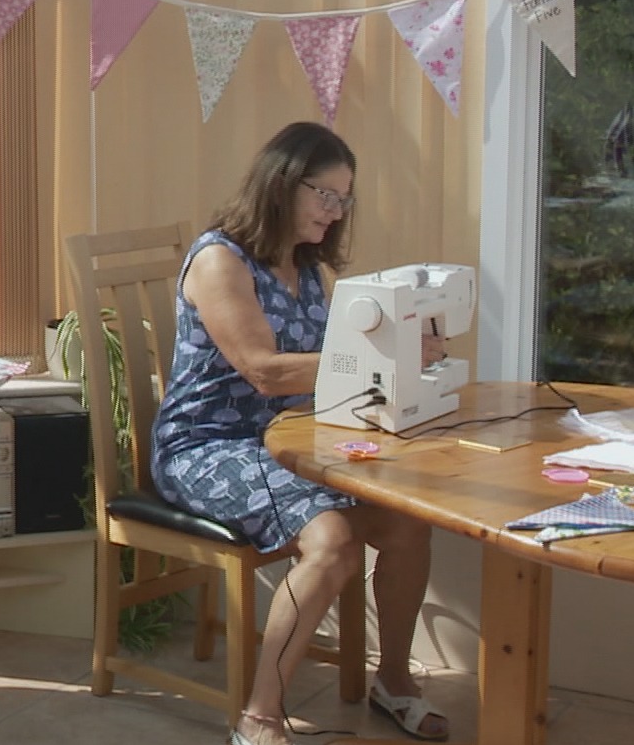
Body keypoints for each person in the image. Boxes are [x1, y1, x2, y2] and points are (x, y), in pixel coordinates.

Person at [150, 122, 449, 745]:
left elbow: (331, 365)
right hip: (206, 447)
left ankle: (394, 681)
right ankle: (258, 719)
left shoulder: (306, 267)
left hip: (285, 441)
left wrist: (403, 352)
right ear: (283, 184)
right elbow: (264, 371)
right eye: (326, 196)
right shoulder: (219, 260)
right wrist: (386, 357)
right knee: (333, 542)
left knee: (407, 523)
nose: (337, 212)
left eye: (345, 199)